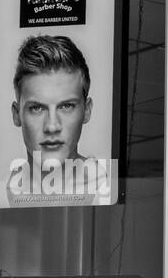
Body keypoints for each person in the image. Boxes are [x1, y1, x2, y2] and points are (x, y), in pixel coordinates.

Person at [7, 34, 106, 197]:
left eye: (66, 106)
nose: (52, 126)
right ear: (16, 114)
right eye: (37, 108)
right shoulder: (4, 190)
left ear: (87, 110)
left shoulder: (103, 186)